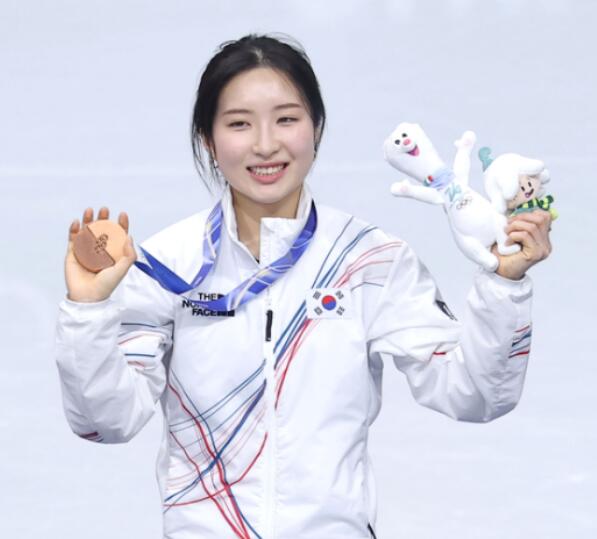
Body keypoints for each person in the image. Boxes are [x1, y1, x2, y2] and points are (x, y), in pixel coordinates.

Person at [55, 34, 552, 539]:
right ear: (208, 138)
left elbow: (475, 395)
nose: (265, 144)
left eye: (287, 119)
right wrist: (87, 310)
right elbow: (106, 422)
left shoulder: (369, 260)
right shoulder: (166, 265)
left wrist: (504, 286)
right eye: (239, 123)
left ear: (316, 127)